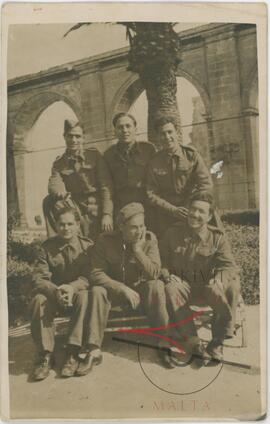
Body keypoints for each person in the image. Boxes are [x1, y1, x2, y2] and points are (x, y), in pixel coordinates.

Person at [76, 202, 175, 376]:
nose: (140, 231)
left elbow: (154, 273)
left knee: (156, 285)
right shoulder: (105, 241)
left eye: (142, 226)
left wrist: (138, 251)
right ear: (121, 226)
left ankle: (163, 344)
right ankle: (93, 350)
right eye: (134, 227)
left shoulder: (149, 239)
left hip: (140, 293)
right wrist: (121, 288)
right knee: (98, 291)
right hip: (115, 294)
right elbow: (96, 273)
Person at [160, 191, 240, 362]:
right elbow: (161, 261)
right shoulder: (172, 233)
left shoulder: (217, 237)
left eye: (201, 212)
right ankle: (194, 342)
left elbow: (228, 266)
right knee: (171, 288)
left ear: (210, 216)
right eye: (193, 209)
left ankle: (217, 341)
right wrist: (167, 275)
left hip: (208, 287)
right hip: (184, 285)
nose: (195, 215)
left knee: (231, 285)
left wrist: (218, 279)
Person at [29, 206, 93, 380]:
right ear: (56, 225)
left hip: (77, 298)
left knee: (85, 295)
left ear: (78, 225)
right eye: (61, 224)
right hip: (53, 298)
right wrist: (56, 291)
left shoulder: (87, 247)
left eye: (70, 224)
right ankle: (45, 356)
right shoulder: (46, 248)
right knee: (38, 299)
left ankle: (73, 353)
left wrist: (71, 287)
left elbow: (89, 276)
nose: (66, 228)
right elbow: (39, 279)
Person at [43, 119, 113, 240]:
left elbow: (106, 186)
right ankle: (56, 243)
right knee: (49, 201)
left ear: (83, 138)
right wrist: (59, 192)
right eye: (70, 136)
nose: (74, 140)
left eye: (78, 136)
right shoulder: (59, 163)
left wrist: (107, 214)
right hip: (75, 206)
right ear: (64, 137)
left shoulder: (94, 156)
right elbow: (54, 182)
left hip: (96, 204)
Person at [146, 116, 214, 238]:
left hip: (193, 210)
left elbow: (205, 184)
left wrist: (192, 207)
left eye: (170, 132)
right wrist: (173, 210)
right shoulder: (154, 162)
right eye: (162, 134)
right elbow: (151, 194)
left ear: (177, 132)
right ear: (157, 137)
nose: (167, 137)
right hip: (166, 214)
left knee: (211, 239)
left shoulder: (191, 155)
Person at [104, 113, 156, 224]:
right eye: (120, 127)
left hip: (148, 205)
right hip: (122, 208)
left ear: (135, 129)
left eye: (128, 126)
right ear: (115, 131)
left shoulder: (148, 149)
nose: (124, 130)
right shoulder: (108, 155)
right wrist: (107, 214)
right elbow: (107, 187)